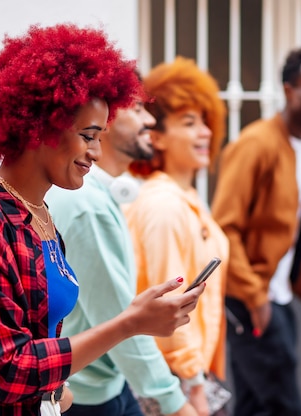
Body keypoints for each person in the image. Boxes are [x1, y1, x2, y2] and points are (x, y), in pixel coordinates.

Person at [0, 24, 205, 416]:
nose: (96, 151)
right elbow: (8, 371)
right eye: (89, 135)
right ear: (43, 126)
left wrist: (53, 394)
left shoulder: (40, 219)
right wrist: (130, 323)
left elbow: (38, 339)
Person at [45, 81, 197, 416]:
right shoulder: (88, 205)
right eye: (140, 108)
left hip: (99, 388)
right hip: (86, 399)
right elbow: (121, 320)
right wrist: (177, 406)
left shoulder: (99, 196)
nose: (151, 121)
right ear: (106, 120)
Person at [210, 44, 301, 416]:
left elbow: (287, 213)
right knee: (285, 405)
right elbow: (224, 226)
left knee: (255, 405)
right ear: (289, 91)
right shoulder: (255, 144)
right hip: (252, 297)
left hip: (279, 296)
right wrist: (255, 298)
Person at [124, 56, 230, 416]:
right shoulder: (163, 205)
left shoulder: (186, 198)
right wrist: (195, 386)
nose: (205, 132)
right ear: (157, 137)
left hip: (190, 372)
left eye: (205, 120)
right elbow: (170, 295)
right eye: (189, 122)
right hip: (175, 380)